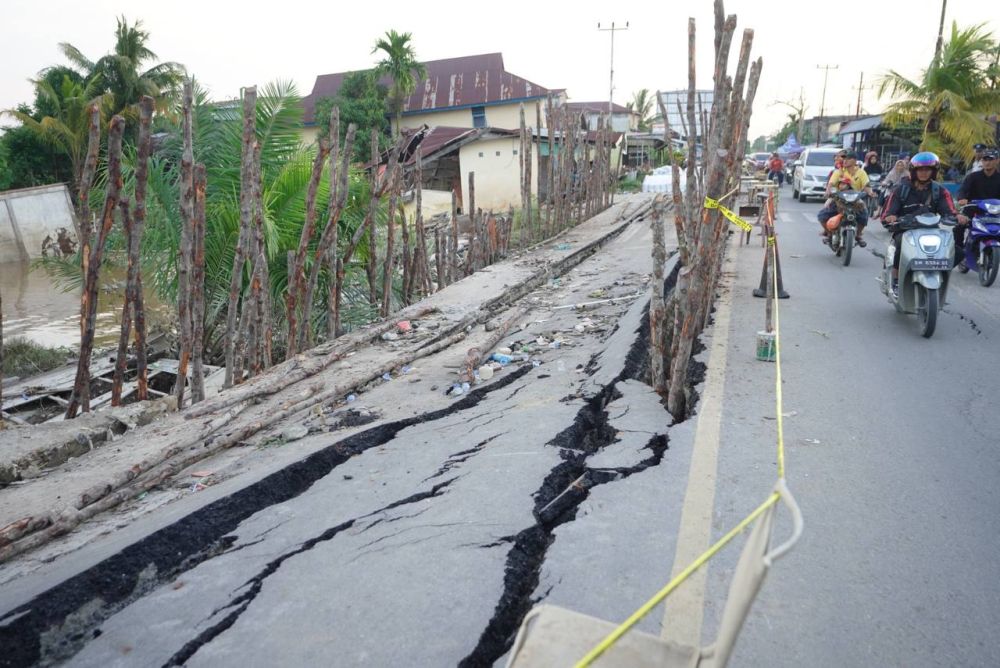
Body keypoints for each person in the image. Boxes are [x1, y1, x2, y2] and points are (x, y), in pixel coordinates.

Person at [881, 152, 957, 291]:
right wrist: (890, 217)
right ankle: (896, 280)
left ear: (933, 172)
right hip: (905, 229)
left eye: (927, 170)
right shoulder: (901, 189)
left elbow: (949, 210)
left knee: (953, 248)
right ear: (914, 171)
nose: (923, 173)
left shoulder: (940, 191)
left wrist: (956, 217)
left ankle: (940, 275)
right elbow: (888, 212)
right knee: (899, 245)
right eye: (920, 170)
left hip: (931, 230)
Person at [955, 147, 1000, 271]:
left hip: (995, 212)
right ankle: (958, 252)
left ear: (997, 161)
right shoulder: (973, 177)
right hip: (973, 209)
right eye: (985, 159)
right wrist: (962, 198)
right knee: (959, 226)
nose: (987, 162)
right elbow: (963, 190)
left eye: (991, 159)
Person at [818, 152, 875, 246]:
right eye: (844, 158)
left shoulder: (861, 172)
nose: (845, 160)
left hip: (855, 200)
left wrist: (870, 192)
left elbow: (866, 185)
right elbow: (831, 183)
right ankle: (829, 234)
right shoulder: (840, 171)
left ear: (854, 160)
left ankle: (858, 235)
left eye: (848, 158)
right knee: (822, 216)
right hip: (839, 198)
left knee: (864, 215)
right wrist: (828, 191)